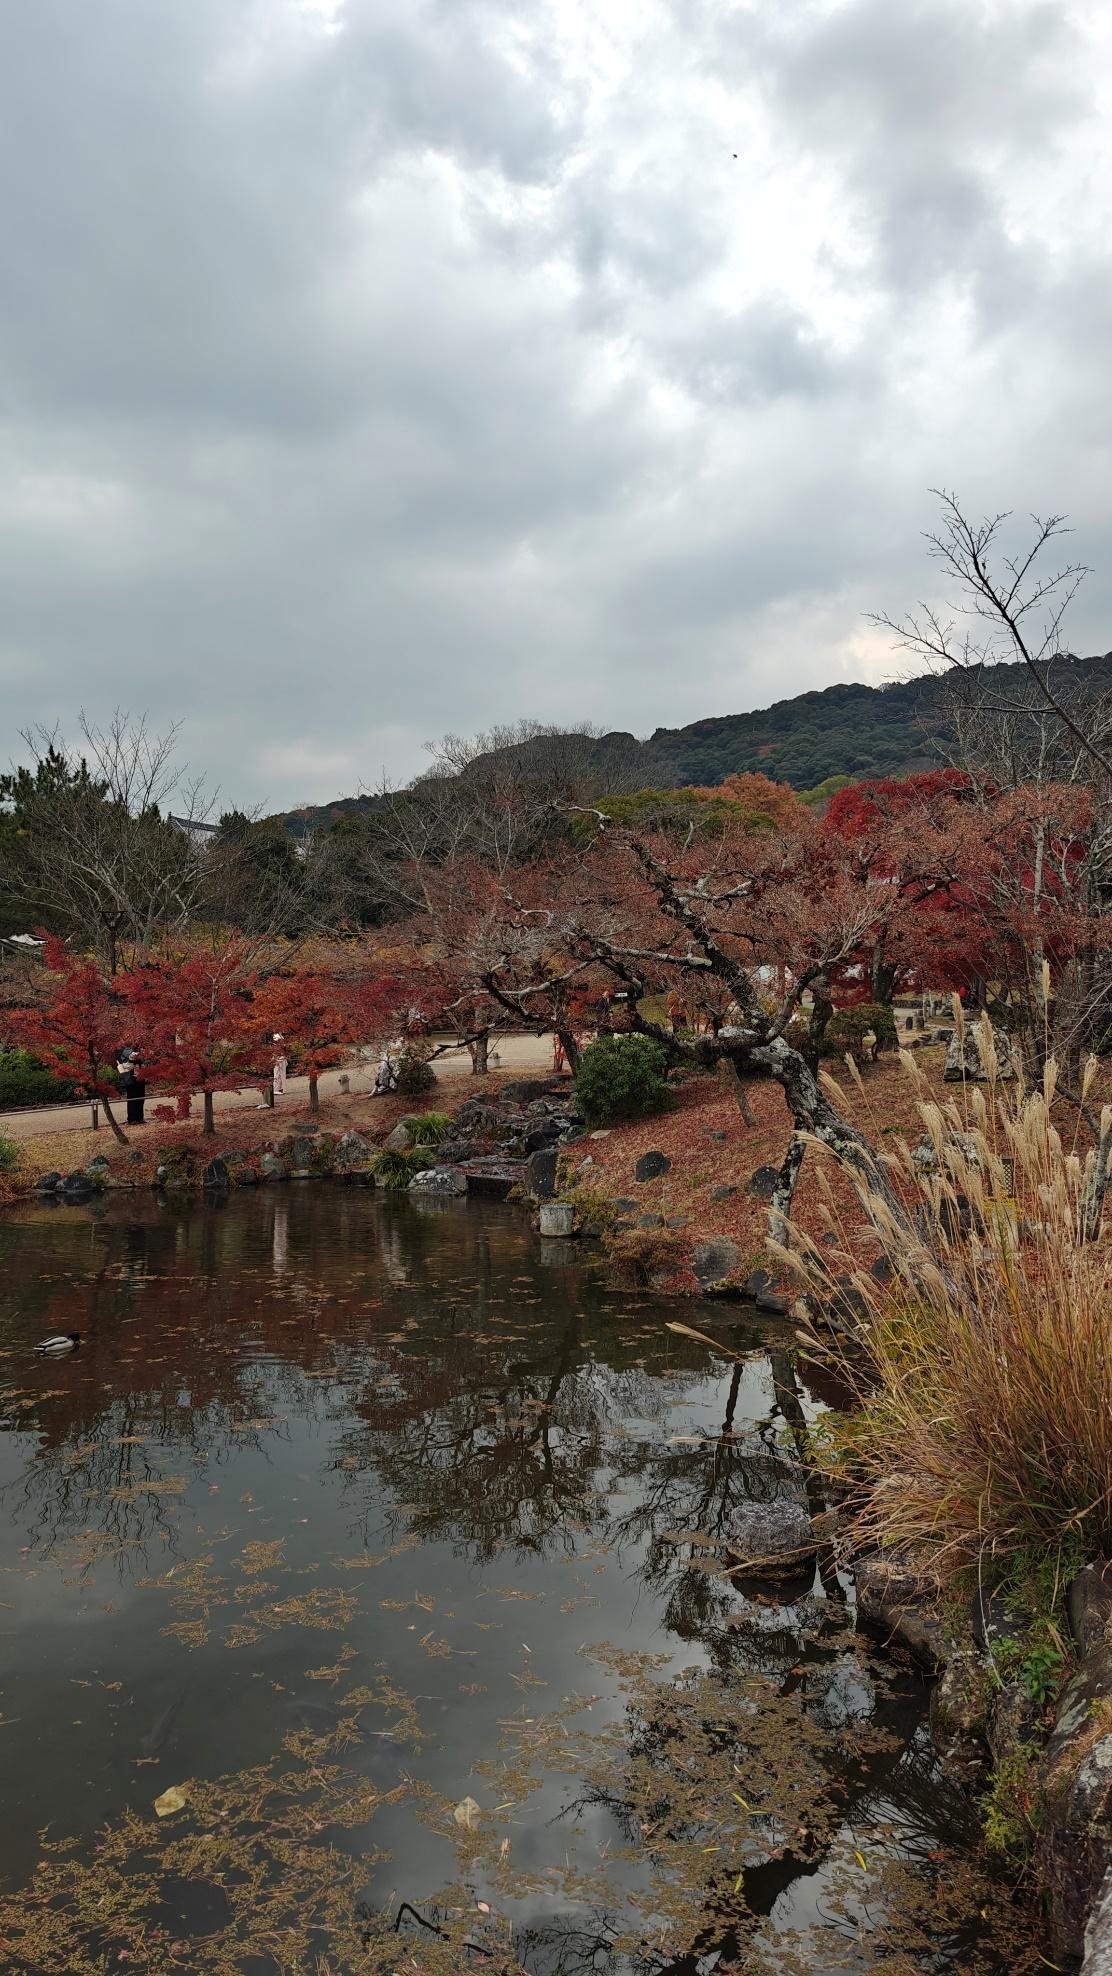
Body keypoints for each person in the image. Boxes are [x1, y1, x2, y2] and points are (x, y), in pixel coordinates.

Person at [118, 1046, 146, 1126]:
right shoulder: (126, 1050)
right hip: (131, 1078)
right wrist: (142, 1051)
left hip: (140, 1077)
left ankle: (140, 1118)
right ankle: (132, 1119)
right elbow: (132, 1056)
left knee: (141, 1098)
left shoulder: (140, 1050)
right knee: (132, 1098)